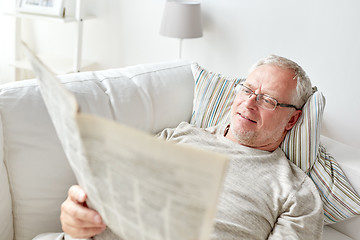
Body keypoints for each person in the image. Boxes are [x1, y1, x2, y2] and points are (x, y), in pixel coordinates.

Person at [60, 55, 324, 239]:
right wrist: (77, 213)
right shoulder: (178, 136)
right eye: (247, 90)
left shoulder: (296, 192)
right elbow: (104, 190)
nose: (249, 104)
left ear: (292, 119)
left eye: (268, 100)